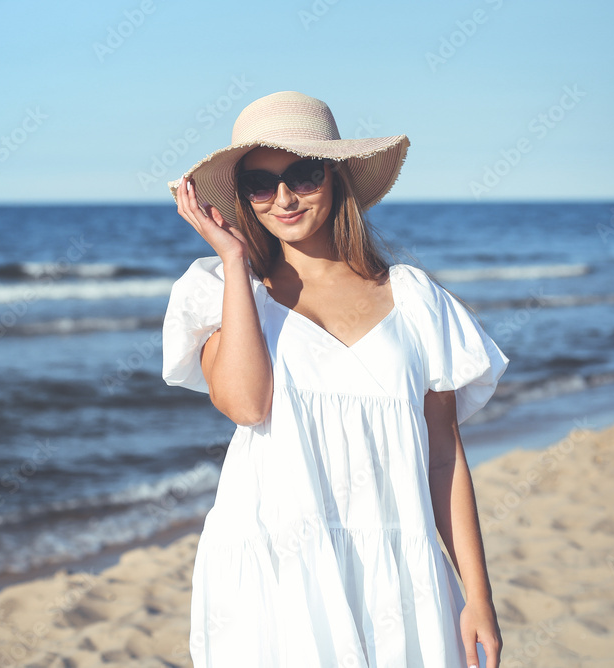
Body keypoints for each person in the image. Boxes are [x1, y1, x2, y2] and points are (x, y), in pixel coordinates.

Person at [161, 91, 509, 668]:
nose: (283, 198)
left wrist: (478, 597)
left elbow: (444, 454)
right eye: (260, 184)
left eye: (303, 173)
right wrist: (231, 261)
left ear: (337, 177)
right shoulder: (228, 294)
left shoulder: (416, 300)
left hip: (400, 567)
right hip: (276, 565)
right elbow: (247, 406)